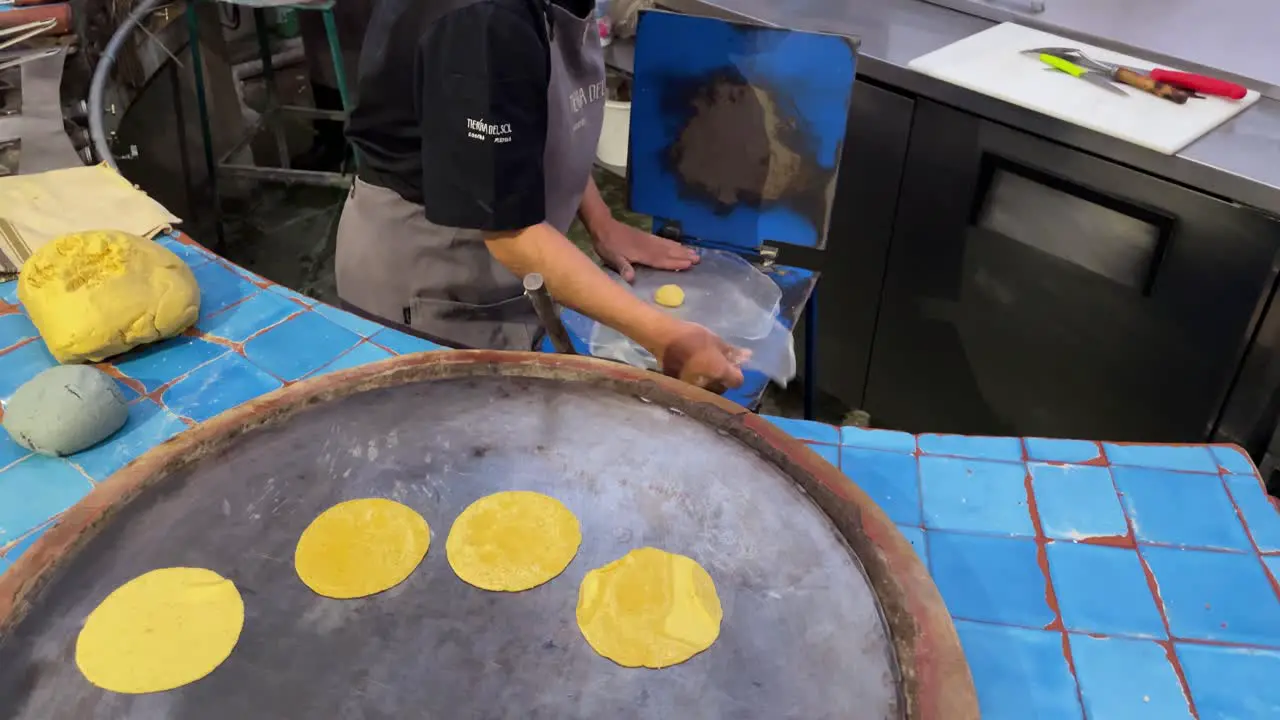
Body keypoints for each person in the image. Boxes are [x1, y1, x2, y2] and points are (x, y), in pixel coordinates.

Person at [336, 0, 745, 391]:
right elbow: (511, 233)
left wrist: (602, 223)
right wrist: (663, 336)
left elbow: (531, 122)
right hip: (434, 275)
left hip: (502, 244)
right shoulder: (483, 24)